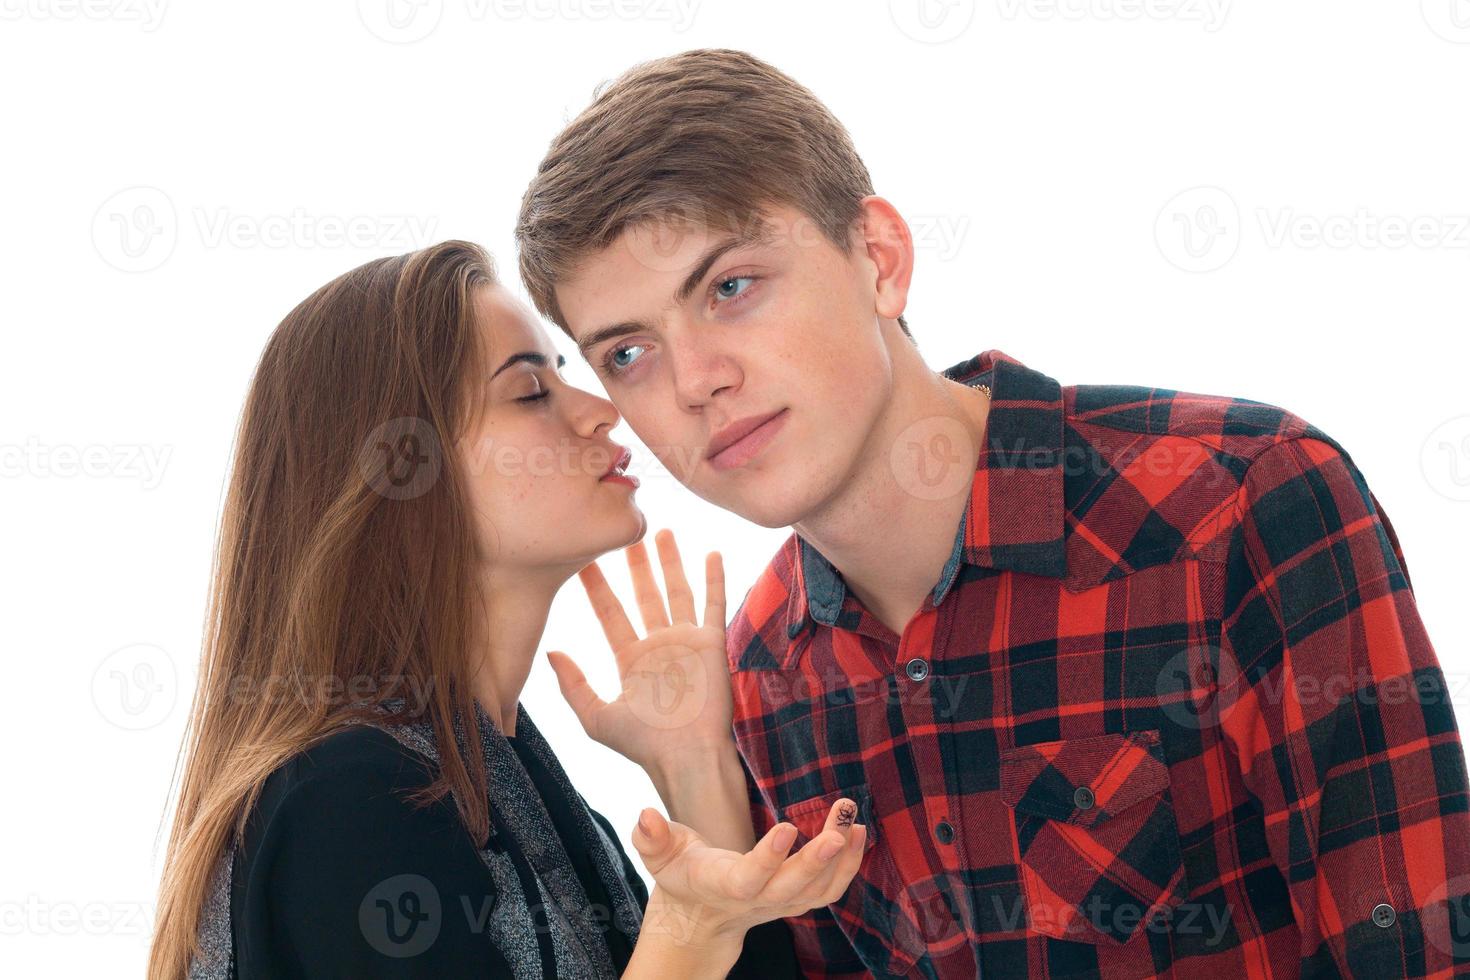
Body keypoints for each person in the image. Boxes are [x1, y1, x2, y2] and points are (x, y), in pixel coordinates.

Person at [514, 48, 1470, 978]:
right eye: (628, 353)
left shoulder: (1236, 500)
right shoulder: (761, 673)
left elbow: (1420, 947)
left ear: (880, 260)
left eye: (730, 288)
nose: (694, 382)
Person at [146, 241, 867, 979]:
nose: (601, 412)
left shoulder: (509, 782)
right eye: (530, 392)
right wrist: (687, 927)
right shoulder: (345, 802)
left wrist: (696, 772)